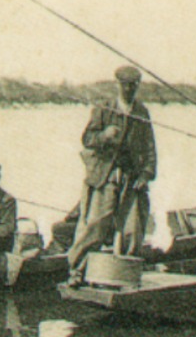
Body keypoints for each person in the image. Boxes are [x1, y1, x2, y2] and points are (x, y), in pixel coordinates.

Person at [66, 65, 158, 283]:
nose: (129, 90)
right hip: (105, 176)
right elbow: (87, 138)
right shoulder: (104, 108)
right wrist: (104, 136)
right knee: (97, 225)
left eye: (134, 86)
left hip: (132, 178)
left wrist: (146, 174)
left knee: (133, 228)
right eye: (126, 85)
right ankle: (77, 271)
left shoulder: (142, 112)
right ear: (118, 85)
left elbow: (150, 149)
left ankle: (124, 275)